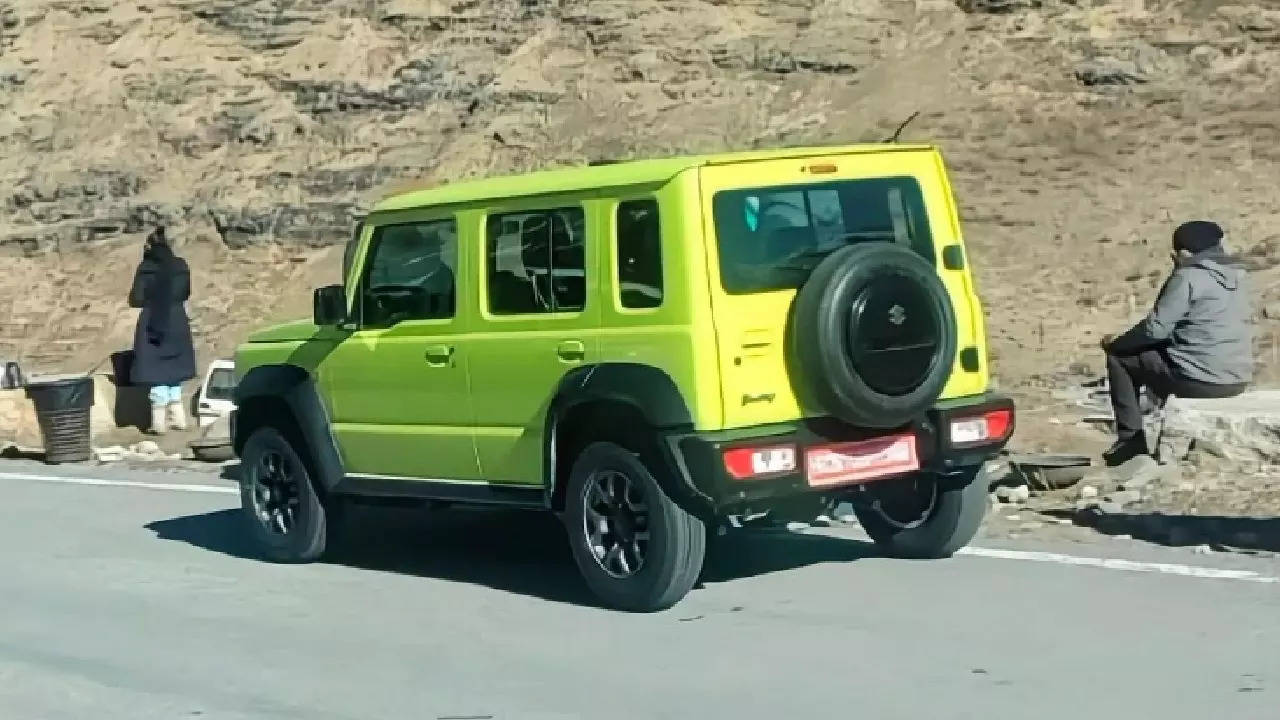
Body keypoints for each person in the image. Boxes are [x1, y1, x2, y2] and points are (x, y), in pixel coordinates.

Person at [1100, 220, 1252, 466]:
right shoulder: (1239, 275)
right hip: (1237, 379)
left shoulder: (1188, 276)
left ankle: (1130, 442)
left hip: (1201, 382)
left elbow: (1155, 329)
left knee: (1121, 358)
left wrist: (1117, 343)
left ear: (1182, 253)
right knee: (1158, 354)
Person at [129, 227, 196, 435]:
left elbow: (136, 299)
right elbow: (185, 293)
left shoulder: (146, 269)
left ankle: (159, 423)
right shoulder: (180, 266)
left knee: (156, 372)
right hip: (177, 320)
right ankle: (179, 419)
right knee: (173, 371)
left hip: (152, 321)